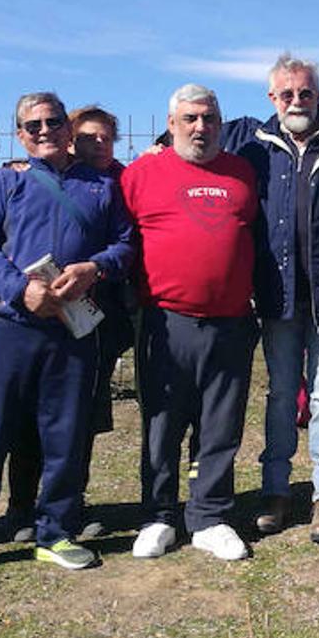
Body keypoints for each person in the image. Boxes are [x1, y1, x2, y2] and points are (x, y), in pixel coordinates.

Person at [0, 92, 134, 576]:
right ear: (19, 135)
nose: (44, 131)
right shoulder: (4, 182)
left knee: (66, 434)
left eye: (53, 122)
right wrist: (17, 290)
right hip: (10, 325)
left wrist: (95, 267)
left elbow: (126, 244)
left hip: (73, 329)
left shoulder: (102, 186)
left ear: (68, 131)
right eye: (33, 126)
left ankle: (55, 531)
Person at [221, 55, 319, 545]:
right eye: (286, 94)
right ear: (272, 98)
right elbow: (182, 148)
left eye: (305, 93)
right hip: (276, 296)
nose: (296, 101)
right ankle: (276, 491)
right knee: (281, 397)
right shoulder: (252, 148)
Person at [125, 84, 261, 562]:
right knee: (162, 423)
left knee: (220, 424)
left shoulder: (243, 172)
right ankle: (159, 514)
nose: (200, 127)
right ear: (171, 122)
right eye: (190, 119)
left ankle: (210, 515)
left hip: (230, 322)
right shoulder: (142, 173)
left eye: (209, 118)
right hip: (165, 321)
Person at [4, 104, 129, 543]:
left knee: (82, 416)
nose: (98, 144)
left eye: (106, 138)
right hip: (40, 312)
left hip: (99, 317)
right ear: (72, 138)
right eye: (88, 137)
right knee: (29, 415)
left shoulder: (120, 183)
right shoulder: (43, 179)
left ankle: (69, 502)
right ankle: (21, 505)